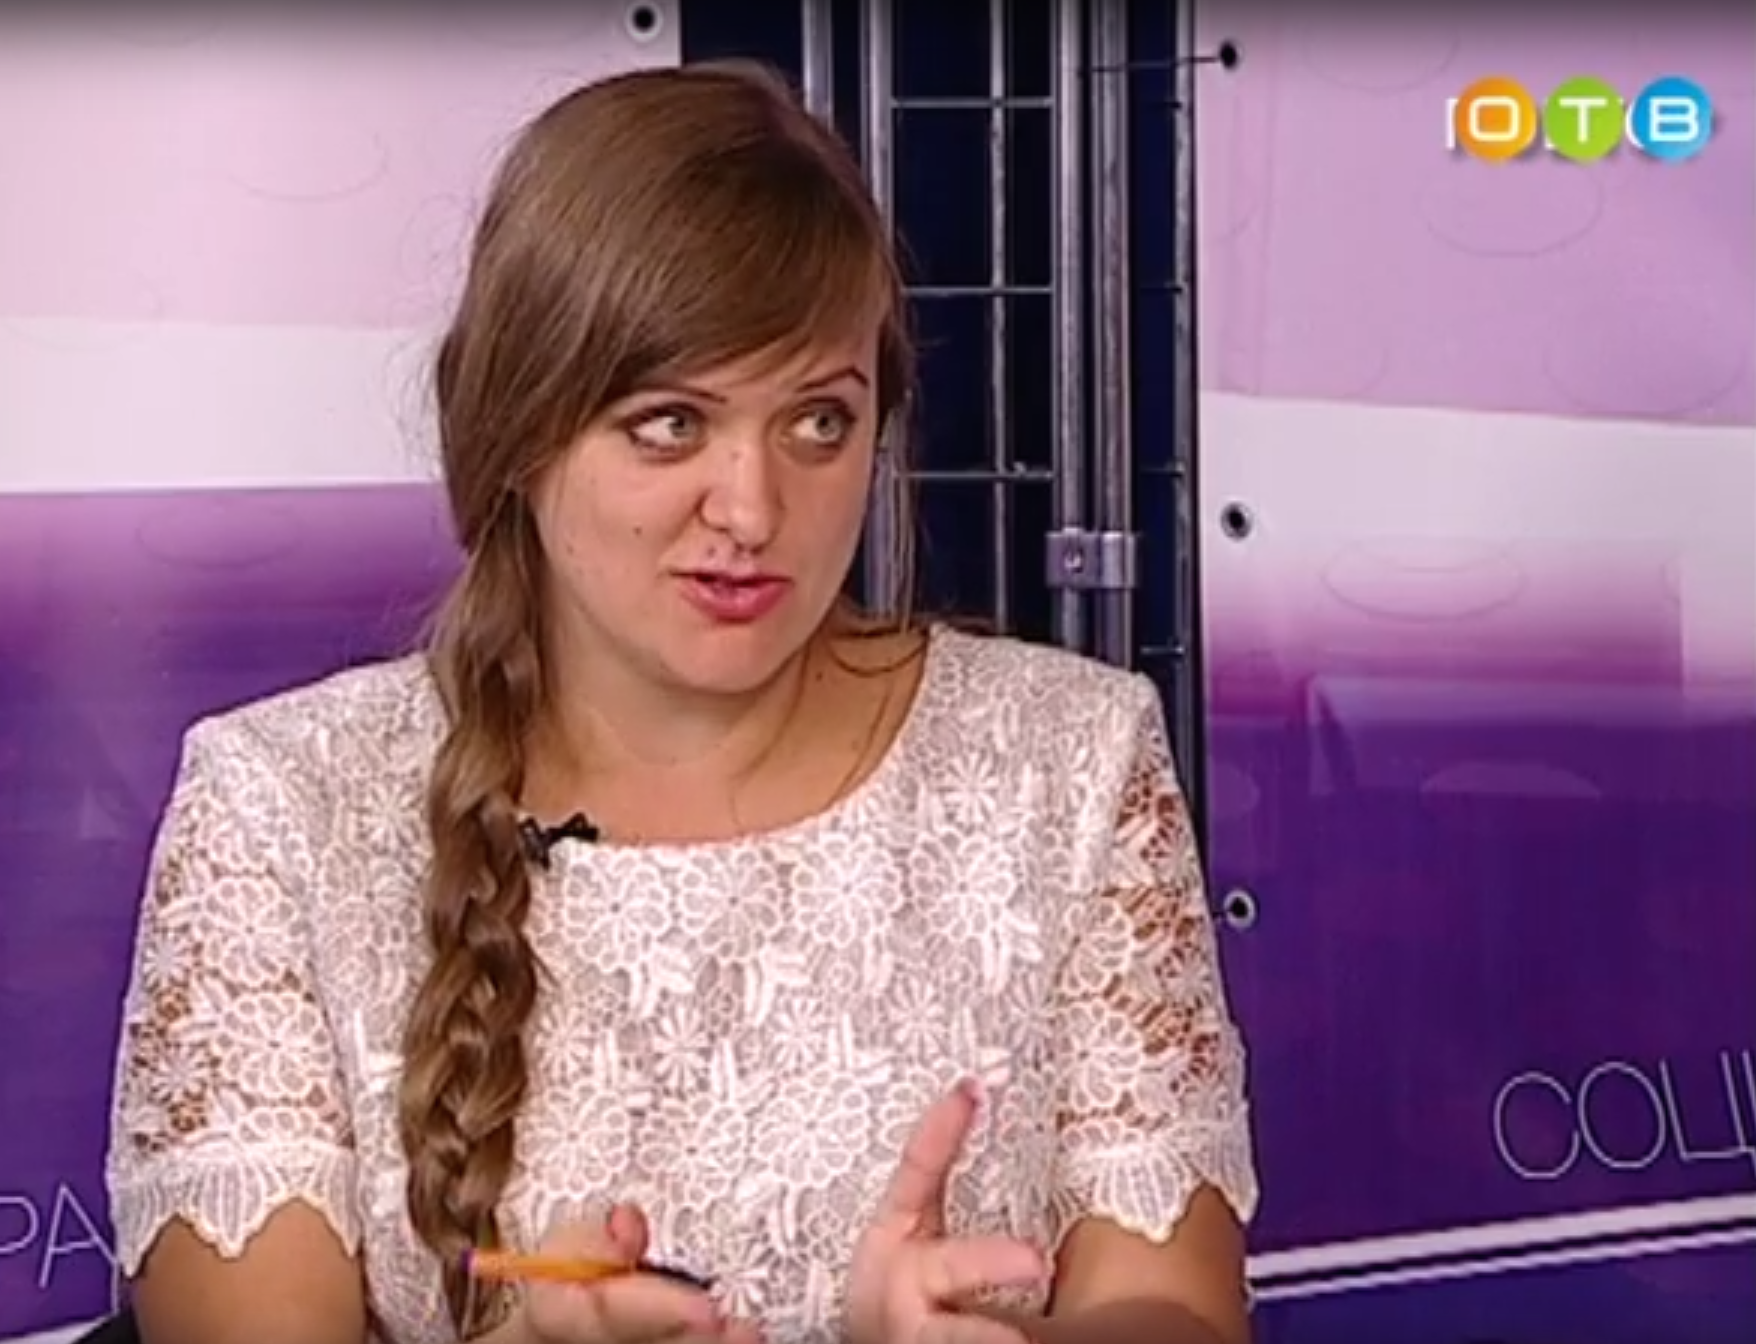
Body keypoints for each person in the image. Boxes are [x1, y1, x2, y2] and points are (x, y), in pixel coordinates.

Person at [103, 59, 1259, 1344]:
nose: (752, 511)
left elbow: (1175, 1313)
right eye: (669, 424)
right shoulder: (280, 807)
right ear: (516, 427)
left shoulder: (1070, 763)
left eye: (818, 423)